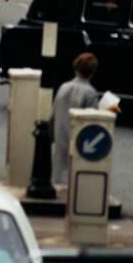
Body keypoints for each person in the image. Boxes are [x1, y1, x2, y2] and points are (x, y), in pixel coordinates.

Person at [51, 52, 101, 184]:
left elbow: (53, 114)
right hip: (79, 142)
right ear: (92, 72)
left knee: (58, 175)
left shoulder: (63, 87)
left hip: (60, 139)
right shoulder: (90, 93)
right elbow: (93, 122)